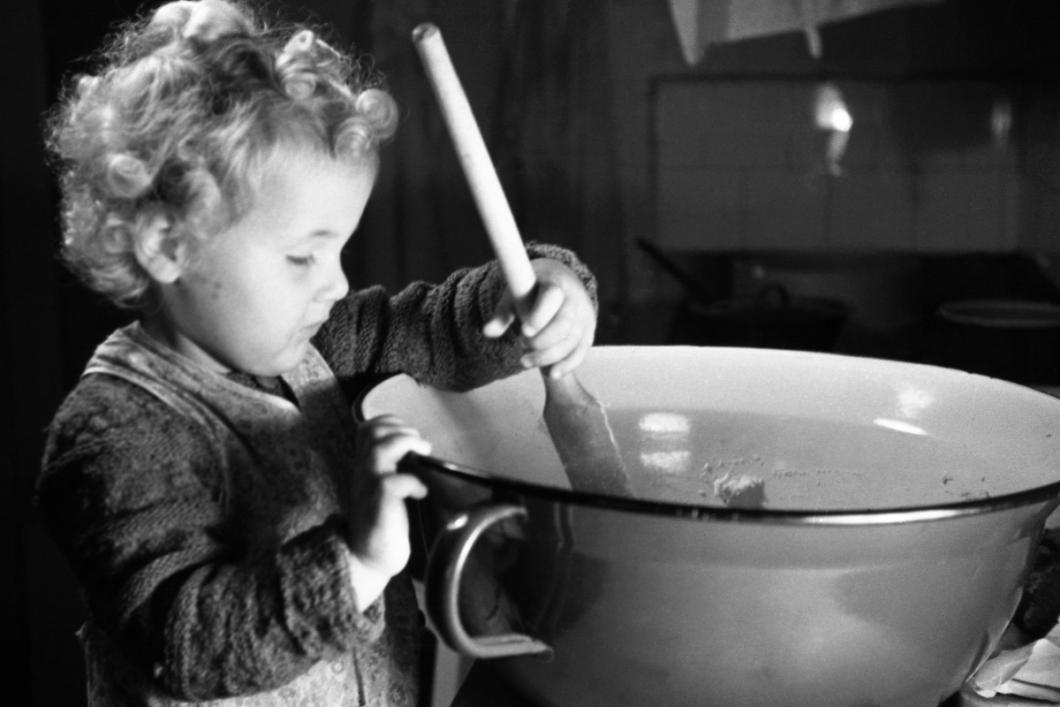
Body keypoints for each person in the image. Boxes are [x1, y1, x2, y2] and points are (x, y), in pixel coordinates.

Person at [35, 1, 599, 705]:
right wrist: (356, 561)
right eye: (303, 255)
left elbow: (439, 334)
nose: (334, 284)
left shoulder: (325, 346)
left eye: (339, 248)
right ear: (167, 245)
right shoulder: (113, 432)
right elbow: (186, 643)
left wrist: (535, 294)